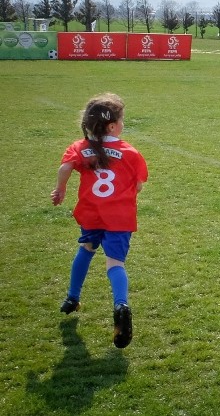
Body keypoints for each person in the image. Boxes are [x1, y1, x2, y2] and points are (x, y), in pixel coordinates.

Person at [51, 93, 148, 349]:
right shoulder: (130, 152)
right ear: (113, 126)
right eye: (122, 120)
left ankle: (72, 298)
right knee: (115, 264)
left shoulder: (80, 148)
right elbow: (138, 186)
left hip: (92, 213)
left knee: (86, 248)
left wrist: (60, 190)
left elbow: (64, 168)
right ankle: (121, 304)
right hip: (119, 218)